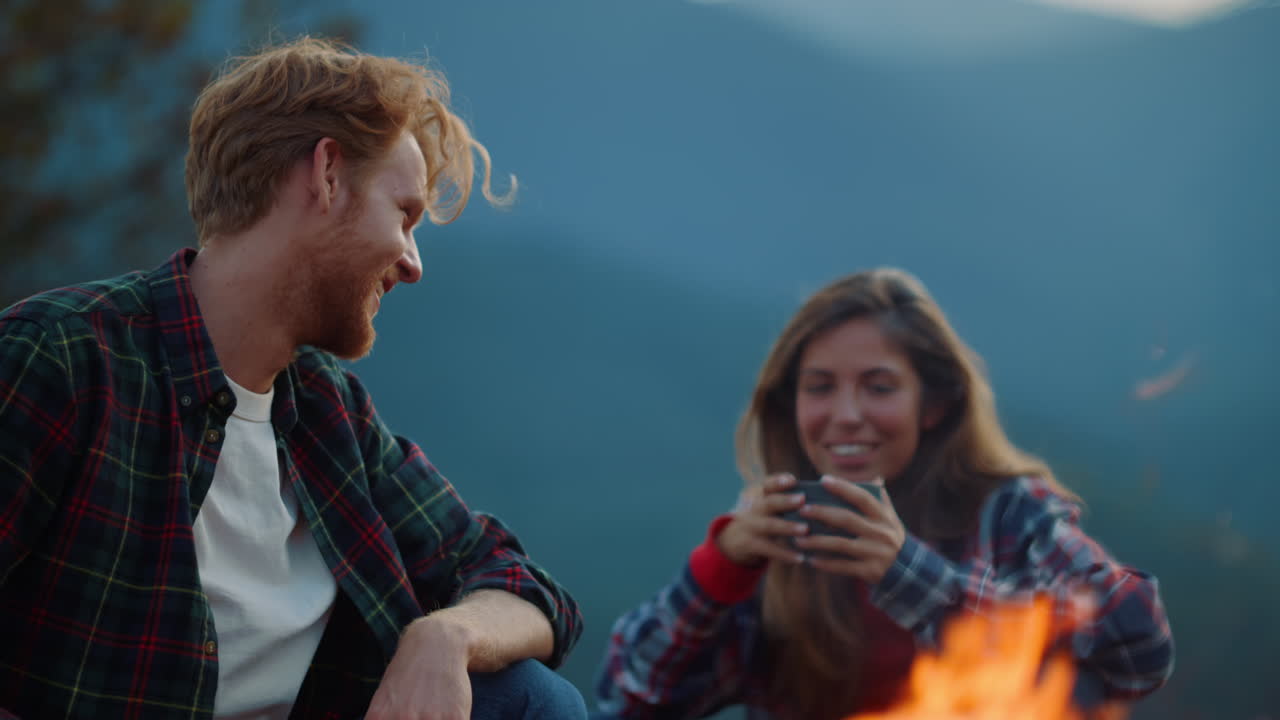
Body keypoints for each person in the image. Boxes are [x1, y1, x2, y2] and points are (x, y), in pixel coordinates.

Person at [0, 37, 585, 720]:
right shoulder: (59, 360)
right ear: (328, 174)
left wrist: (446, 634)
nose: (414, 263)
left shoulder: (327, 414)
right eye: (405, 215)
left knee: (529, 701)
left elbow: (524, 587)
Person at [594, 268, 1174, 720]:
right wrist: (719, 572)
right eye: (819, 388)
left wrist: (908, 575)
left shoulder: (1006, 511)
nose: (846, 416)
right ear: (791, 406)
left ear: (936, 404)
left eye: (879, 387)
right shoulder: (779, 538)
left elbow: (1138, 643)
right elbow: (628, 702)